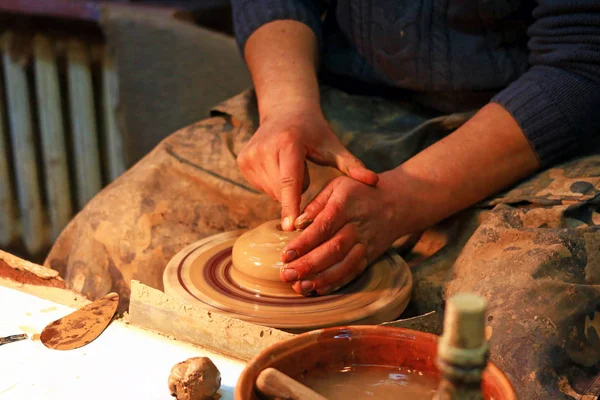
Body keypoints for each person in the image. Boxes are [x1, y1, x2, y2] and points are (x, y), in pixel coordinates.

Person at [46, 1, 600, 398]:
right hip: (333, 105)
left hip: (525, 132)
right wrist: (286, 108)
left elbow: (582, 63)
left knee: (521, 335)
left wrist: (408, 200)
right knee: (110, 241)